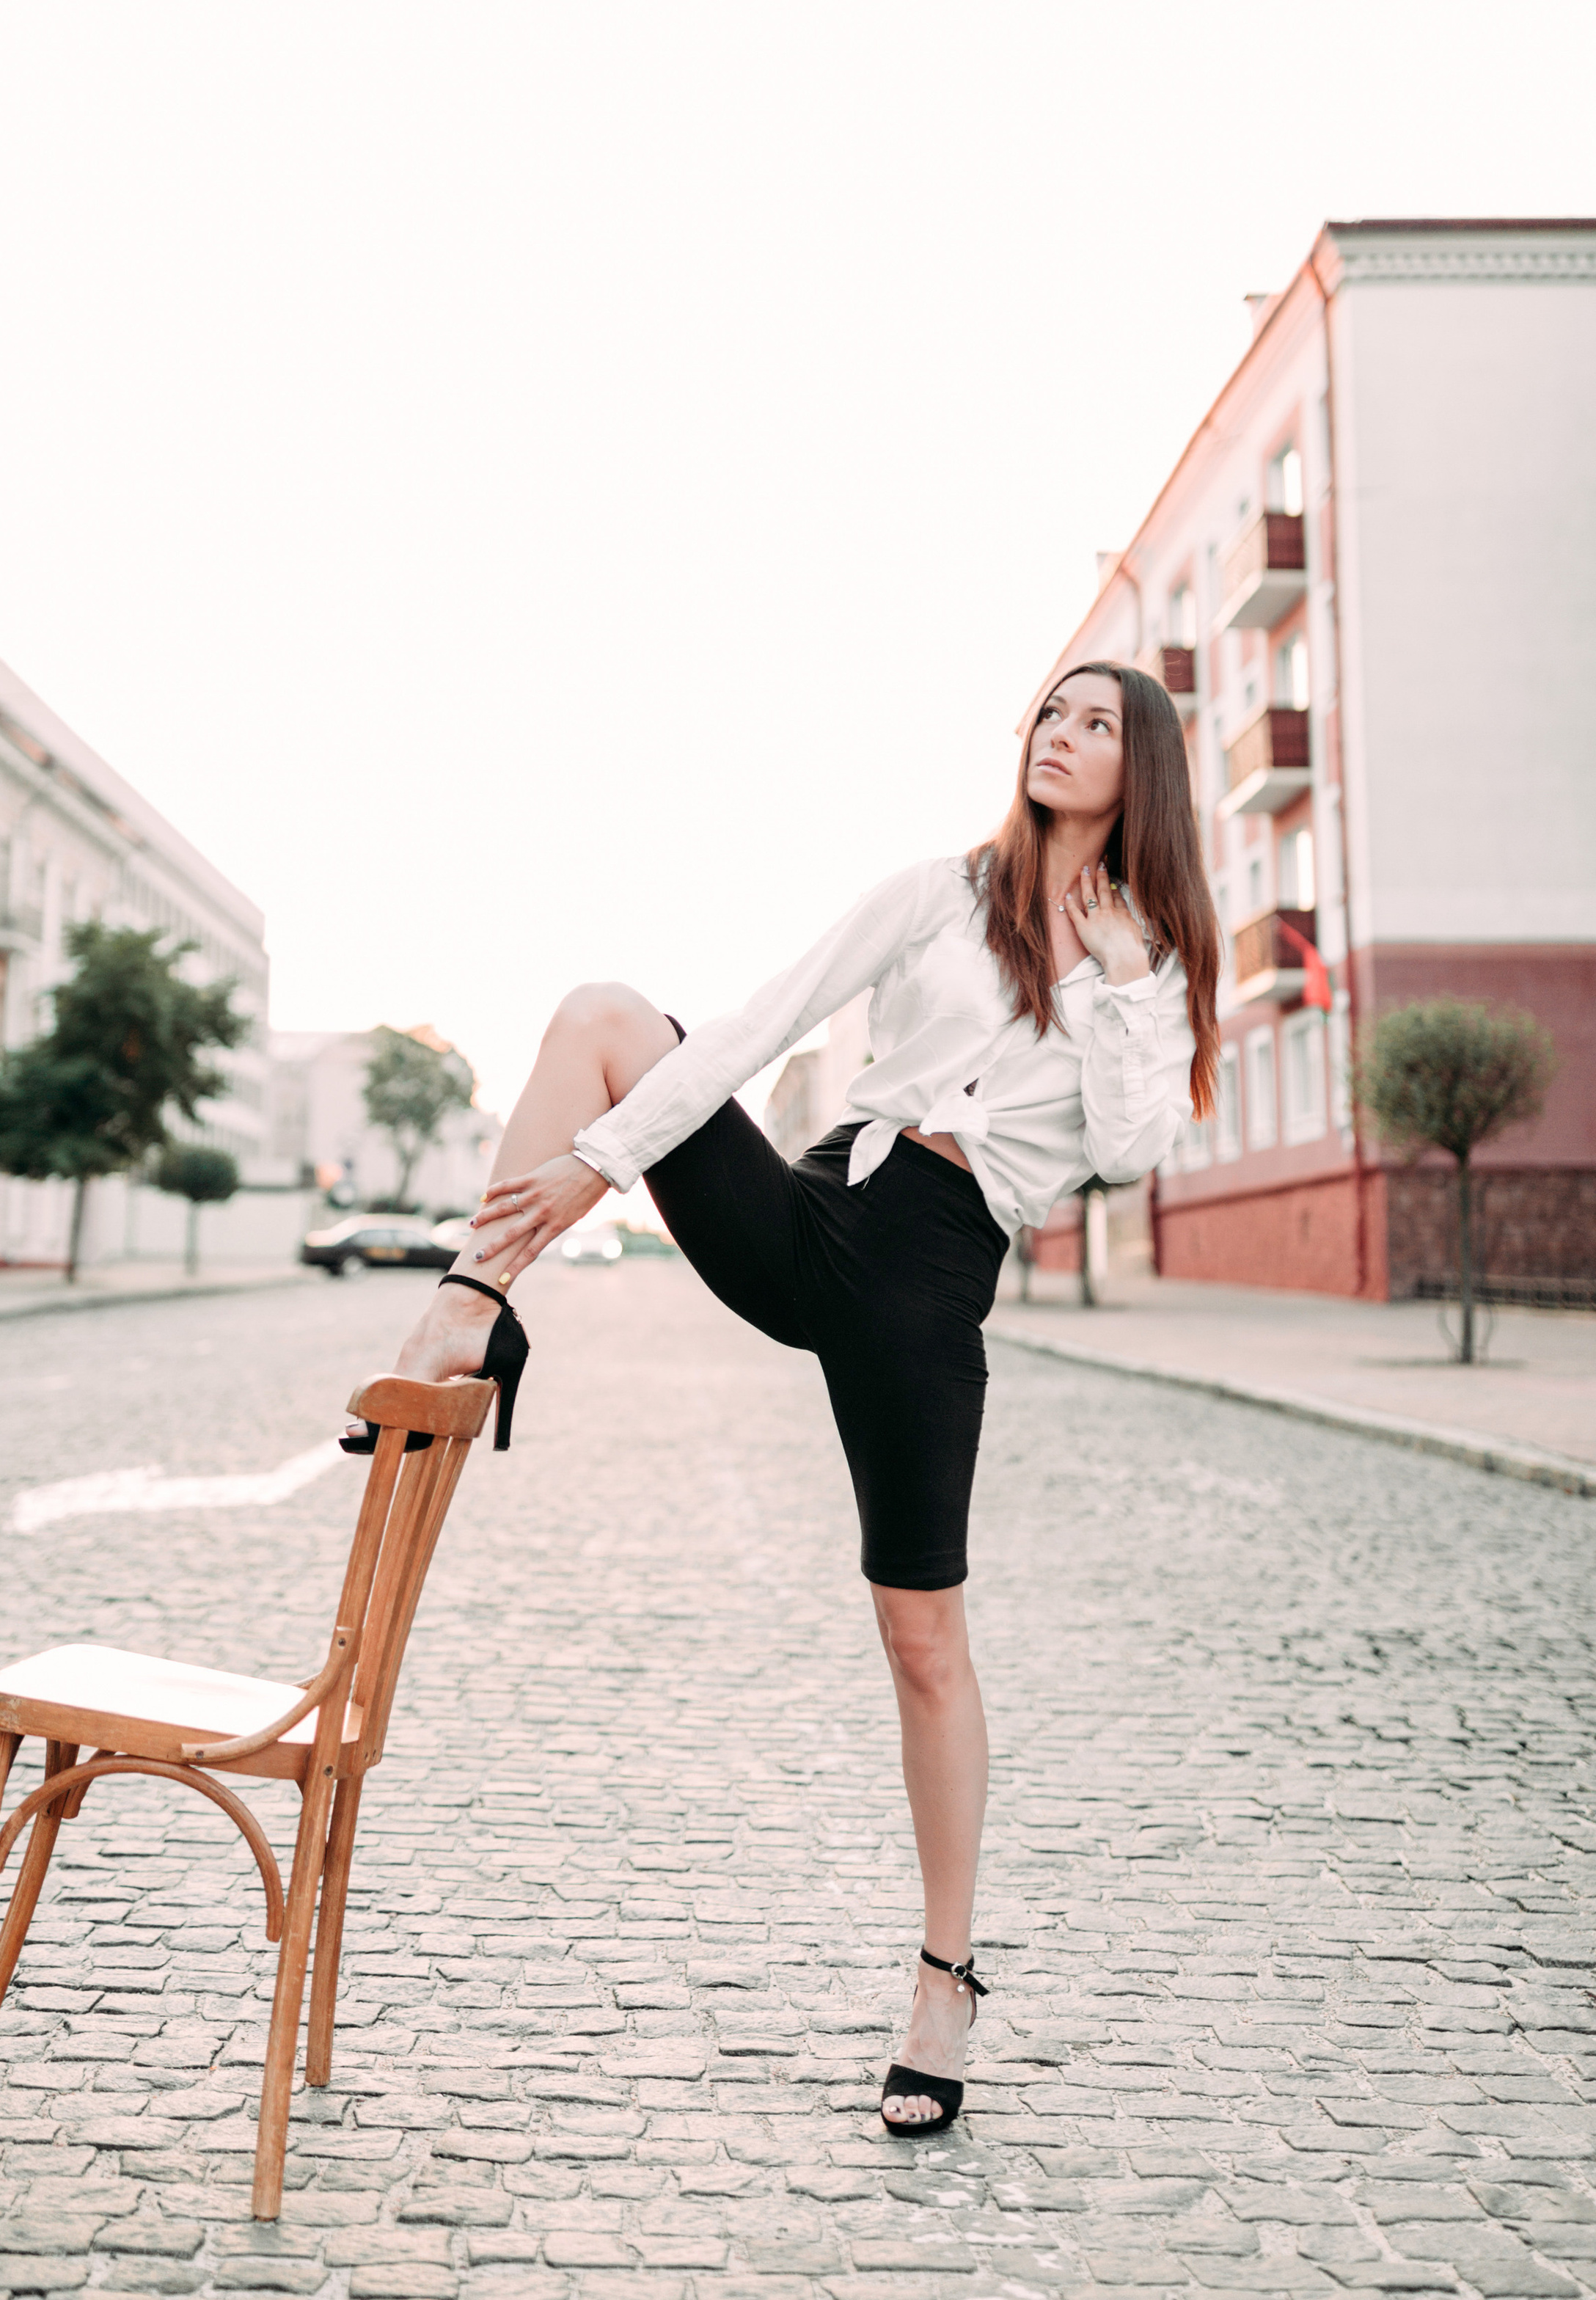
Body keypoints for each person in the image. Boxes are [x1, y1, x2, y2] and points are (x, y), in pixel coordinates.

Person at [366, 662, 1220, 2136]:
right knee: (602, 1010)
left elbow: (1134, 1147)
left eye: (1094, 723)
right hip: (821, 1209)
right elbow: (762, 1022)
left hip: (930, 1277)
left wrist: (1126, 982)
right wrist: (604, 1159)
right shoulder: (938, 892)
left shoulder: (1145, 956)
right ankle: (472, 1300)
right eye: (1047, 715)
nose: (1059, 738)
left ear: (1136, 764)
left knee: (922, 1641)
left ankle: (942, 1983)